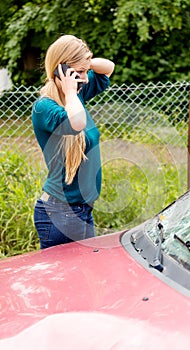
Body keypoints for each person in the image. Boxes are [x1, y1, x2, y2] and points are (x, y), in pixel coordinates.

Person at [32, 34, 115, 249]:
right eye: (78, 73)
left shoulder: (75, 97)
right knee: (61, 281)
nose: (85, 78)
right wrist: (70, 89)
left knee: (85, 277)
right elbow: (76, 123)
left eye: (84, 71)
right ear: (61, 72)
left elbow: (108, 67)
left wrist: (85, 63)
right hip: (59, 213)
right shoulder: (45, 108)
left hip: (82, 210)